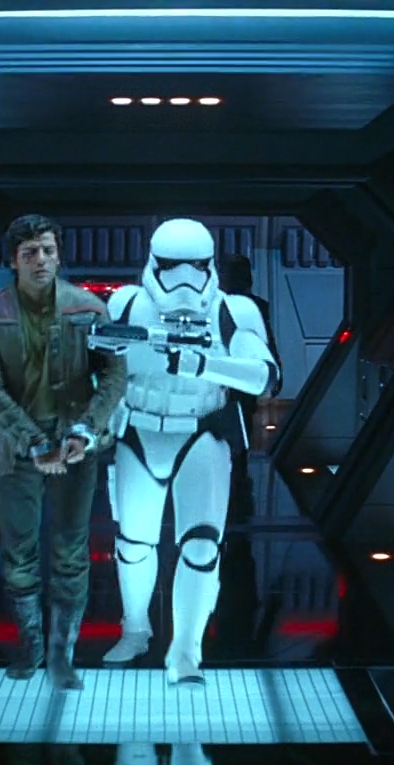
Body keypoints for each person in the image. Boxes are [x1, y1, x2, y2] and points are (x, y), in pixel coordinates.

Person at [99, 218, 279, 687]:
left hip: (202, 431)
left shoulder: (232, 310)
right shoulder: (127, 304)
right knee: (134, 543)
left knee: (201, 547)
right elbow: (100, 367)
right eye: (171, 266)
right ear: (153, 263)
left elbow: (265, 375)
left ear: (209, 265)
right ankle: (135, 630)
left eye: (195, 267)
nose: (184, 280)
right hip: (140, 430)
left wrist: (204, 364)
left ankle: (185, 650)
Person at [0, 214, 127, 692]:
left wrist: (85, 431)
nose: (41, 260)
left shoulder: (88, 309)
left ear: (59, 255)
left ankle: (61, 654)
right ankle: (31, 646)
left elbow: (114, 376)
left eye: (49, 250)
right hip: (14, 453)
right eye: (31, 252)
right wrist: (33, 442)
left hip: (74, 446)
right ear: (14, 260)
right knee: (19, 553)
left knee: (71, 551)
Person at [217, 254, 280, 521]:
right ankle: (237, 474)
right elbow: (267, 342)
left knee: (236, 424)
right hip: (236, 377)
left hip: (232, 377)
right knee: (240, 424)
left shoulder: (219, 305)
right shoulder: (255, 305)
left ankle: (234, 474)